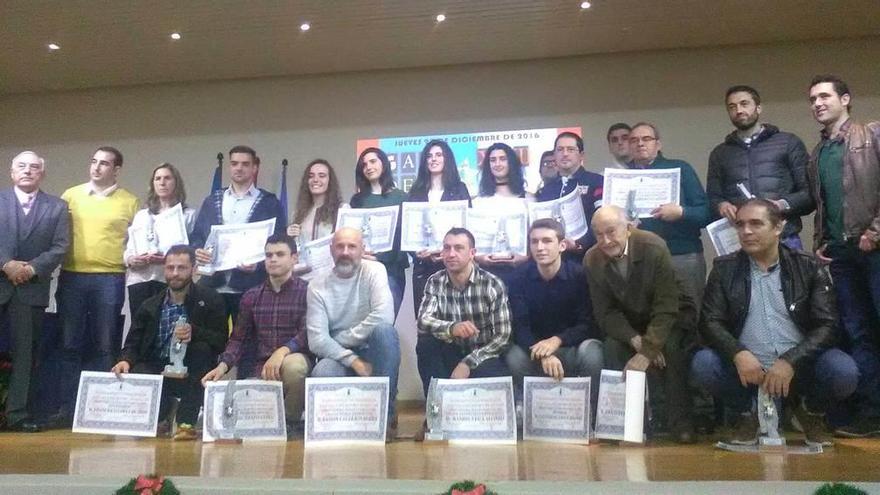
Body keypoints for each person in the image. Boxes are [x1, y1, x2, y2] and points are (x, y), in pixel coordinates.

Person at [693, 199, 858, 446]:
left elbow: (828, 325)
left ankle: (809, 411)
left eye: (756, 224)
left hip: (799, 367)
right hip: (748, 371)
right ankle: (747, 414)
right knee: (704, 363)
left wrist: (791, 360)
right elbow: (710, 321)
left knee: (843, 371)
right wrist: (738, 353)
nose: (746, 231)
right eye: (740, 225)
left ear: (778, 227)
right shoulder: (723, 268)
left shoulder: (808, 265)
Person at [806, 74, 880, 438]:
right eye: (813, 99)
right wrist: (821, 241)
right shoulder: (818, 151)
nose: (818, 103)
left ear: (846, 99)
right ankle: (871, 412)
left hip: (875, 250)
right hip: (841, 257)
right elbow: (824, 203)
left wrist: (875, 233)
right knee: (857, 333)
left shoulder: (872, 135)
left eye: (824, 96)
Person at [585, 206, 697, 443]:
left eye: (611, 231)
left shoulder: (654, 247)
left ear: (629, 228)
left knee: (673, 348)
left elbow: (666, 305)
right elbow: (605, 313)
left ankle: (681, 422)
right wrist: (636, 341)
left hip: (671, 315)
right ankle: (629, 425)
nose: (605, 240)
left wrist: (649, 350)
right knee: (613, 347)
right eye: (598, 234)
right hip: (630, 324)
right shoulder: (592, 259)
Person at [55, 146, 139, 427]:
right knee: (69, 344)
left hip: (110, 278)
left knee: (105, 346)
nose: (97, 167)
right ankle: (66, 409)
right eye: (94, 161)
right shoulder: (70, 195)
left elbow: (138, 243)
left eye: (104, 163)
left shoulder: (130, 202)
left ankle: (100, 410)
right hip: (73, 276)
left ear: (116, 169)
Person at [112, 245, 227, 438]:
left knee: (202, 350)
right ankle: (161, 416)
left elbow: (221, 341)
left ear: (194, 269)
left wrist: (195, 332)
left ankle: (186, 423)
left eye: (181, 268)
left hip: (192, 368)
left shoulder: (211, 299)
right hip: (158, 366)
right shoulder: (149, 305)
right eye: (170, 267)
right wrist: (125, 360)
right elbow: (133, 342)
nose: (175, 273)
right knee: (138, 368)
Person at [202, 234, 311, 432]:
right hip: (260, 369)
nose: (273, 259)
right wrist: (222, 366)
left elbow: (308, 333)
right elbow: (238, 339)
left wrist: (282, 352)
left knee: (295, 367)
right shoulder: (251, 296)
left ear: (294, 258)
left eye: (280, 254)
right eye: (269, 255)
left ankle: (290, 422)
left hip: (295, 361)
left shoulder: (308, 292)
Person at [307, 228, 400, 436]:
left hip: (370, 348)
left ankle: (386, 416)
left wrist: (341, 339)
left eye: (352, 246)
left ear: (362, 249)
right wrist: (354, 361)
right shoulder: (316, 286)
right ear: (331, 250)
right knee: (321, 374)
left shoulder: (375, 270)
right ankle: (341, 425)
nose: (345, 252)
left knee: (385, 332)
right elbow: (316, 340)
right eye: (340, 246)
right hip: (339, 356)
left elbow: (384, 317)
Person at [0, 151, 69, 432]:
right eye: (22, 166)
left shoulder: (57, 207)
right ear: (11, 171)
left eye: (34, 167)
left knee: (25, 355)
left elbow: (60, 246)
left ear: (42, 173)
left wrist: (30, 269)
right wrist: (6, 265)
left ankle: (17, 415)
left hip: (31, 288)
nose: (28, 171)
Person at [506, 218, 603, 407]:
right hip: (534, 350)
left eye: (547, 241)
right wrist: (544, 353)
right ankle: (532, 414)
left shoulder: (580, 275)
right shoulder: (517, 278)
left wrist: (557, 340)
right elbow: (519, 326)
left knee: (593, 352)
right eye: (534, 242)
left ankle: (589, 416)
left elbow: (587, 323)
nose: (540, 247)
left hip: (571, 347)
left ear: (562, 245)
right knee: (513, 355)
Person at [707, 85, 813, 249]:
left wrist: (780, 205)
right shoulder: (719, 153)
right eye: (732, 107)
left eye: (744, 104)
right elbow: (713, 197)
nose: (739, 110)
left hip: (784, 238)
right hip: (741, 241)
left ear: (758, 108)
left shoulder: (788, 143)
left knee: (792, 276)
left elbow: (809, 194)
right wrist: (721, 205)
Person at [191, 145, 286, 325]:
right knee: (209, 341)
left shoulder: (269, 203)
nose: (239, 168)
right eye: (234, 163)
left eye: (245, 164)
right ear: (229, 167)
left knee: (247, 345)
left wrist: (258, 265)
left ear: (254, 168)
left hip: (250, 286)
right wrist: (198, 251)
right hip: (213, 285)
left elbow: (280, 243)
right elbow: (197, 236)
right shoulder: (212, 201)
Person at [627, 122, 712, 311]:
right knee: (649, 315)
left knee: (691, 313)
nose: (640, 143)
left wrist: (681, 212)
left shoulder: (680, 168)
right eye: (634, 140)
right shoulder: (621, 178)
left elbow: (706, 213)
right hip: (641, 260)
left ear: (658, 144)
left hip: (682, 255)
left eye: (646, 139)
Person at [416, 228, 511, 392]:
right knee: (426, 344)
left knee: (491, 374)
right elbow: (423, 321)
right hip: (450, 350)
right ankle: (436, 409)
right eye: (446, 248)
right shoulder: (435, 281)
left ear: (472, 253)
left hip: (483, 354)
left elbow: (503, 336)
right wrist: (452, 328)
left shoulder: (492, 284)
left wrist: (468, 362)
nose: (451, 254)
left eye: (459, 248)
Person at [407, 139, 472, 319]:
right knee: (424, 320)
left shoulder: (459, 189)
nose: (433, 159)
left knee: (456, 319)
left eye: (438, 155)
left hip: (453, 265)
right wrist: (415, 252)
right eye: (429, 156)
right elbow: (408, 229)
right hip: (423, 268)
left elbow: (467, 228)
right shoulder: (416, 191)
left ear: (447, 159)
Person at [124, 163, 196, 317]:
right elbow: (129, 249)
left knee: (166, 326)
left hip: (169, 279)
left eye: (167, 178)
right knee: (141, 328)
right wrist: (131, 259)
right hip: (139, 280)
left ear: (176, 183)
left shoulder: (187, 215)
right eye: (158, 179)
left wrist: (168, 259)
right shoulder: (142, 215)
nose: (162, 182)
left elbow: (192, 251)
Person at [350, 148, 408, 318]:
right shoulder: (357, 200)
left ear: (384, 163)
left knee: (384, 325)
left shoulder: (402, 198)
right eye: (364, 164)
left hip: (392, 271)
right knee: (362, 326)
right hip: (362, 271)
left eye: (373, 161)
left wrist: (379, 258)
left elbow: (403, 239)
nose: (368, 167)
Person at [535, 132, 604, 261]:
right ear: (554, 155)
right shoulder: (545, 190)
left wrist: (579, 245)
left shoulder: (597, 181)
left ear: (581, 155)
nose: (565, 154)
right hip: (553, 260)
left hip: (590, 258)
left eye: (571, 149)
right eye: (560, 150)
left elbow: (602, 221)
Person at [473, 142, 531, 278]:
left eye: (502, 159)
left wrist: (526, 257)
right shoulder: (477, 202)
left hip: (522, 272)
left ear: (511, 162)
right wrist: (478, 257)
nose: (497, 164)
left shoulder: (529, 199)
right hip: (486, 273)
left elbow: (537, 236)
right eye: (492, 160)